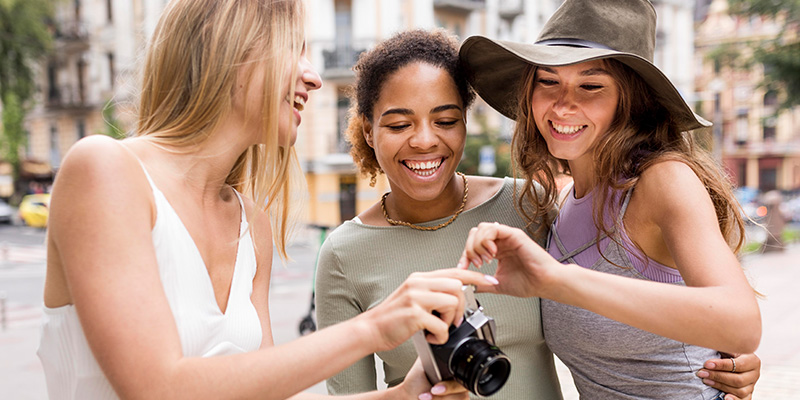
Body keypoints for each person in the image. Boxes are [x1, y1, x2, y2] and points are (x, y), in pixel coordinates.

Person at [36, 1, 490, 399]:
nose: (311, 76)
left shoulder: (250, 225)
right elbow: (158, 389)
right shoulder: (104, 170)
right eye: (295, 49)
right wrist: (372, 327)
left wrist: (401, 397)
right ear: (232, 53)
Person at [314, 28, 760, 400]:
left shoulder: (529, 206)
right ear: (367, 132)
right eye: (397, 125)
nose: (425, 140)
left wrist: (732, 360)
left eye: (446, 120)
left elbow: (723, 313)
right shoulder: (553, 205)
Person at [457, 0, 762, 398]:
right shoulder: (562, 201)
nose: (564, 104)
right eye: (548, 81)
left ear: (631, 100)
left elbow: (741, 324)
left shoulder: (661, 180)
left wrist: (558, 281)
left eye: (591, 86)